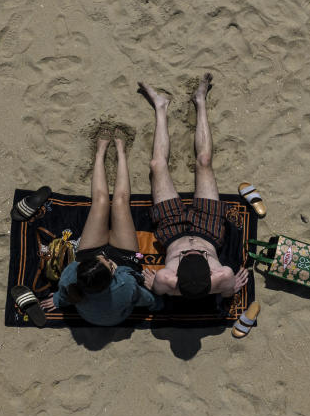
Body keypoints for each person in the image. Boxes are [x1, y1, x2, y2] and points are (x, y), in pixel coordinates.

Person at [139, 73, 250, 299]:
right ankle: (200, 102)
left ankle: (161, 107)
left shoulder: (166, 279)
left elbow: (155, 286)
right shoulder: (223, 275)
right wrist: (230, 289)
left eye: (187, 255)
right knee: (204, 162)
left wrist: (154, 286)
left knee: (157, 165)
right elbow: (230, 290)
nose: (190, 249)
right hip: (208, 231)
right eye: (194, 254)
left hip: (171, 230)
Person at [39, 132, 163, 326]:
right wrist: (157, 302)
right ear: (113, 275)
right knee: (121, 201)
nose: (105, 256)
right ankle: (121, 152)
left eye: (102, 258)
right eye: (106, 261)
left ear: (81, 268)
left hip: (92, 260)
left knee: (100, 202)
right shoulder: (125, 285)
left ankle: (100, 152)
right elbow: (146, 300)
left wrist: (57, 300)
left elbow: (64, 294)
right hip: (124, 263)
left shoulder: (71, 275)